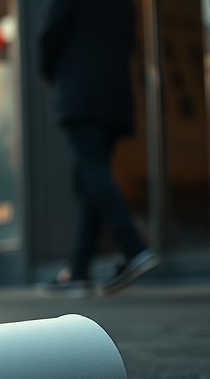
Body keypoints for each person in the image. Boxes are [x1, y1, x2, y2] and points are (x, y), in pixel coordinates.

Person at [36, 0, 159, 297]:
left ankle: (133, 247)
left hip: (81, 92)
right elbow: (127, 43)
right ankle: (78, 269)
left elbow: (51, 36)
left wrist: (47, 70)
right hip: (115, 95)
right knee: (89, 177)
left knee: (92, 171)